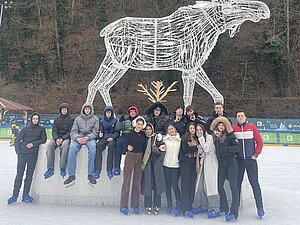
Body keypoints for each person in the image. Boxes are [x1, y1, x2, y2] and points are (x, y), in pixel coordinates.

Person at [7, 113, 47, 204]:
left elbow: (43, 140)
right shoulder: (25, 129)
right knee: (19, 175)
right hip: (23, 154)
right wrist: (18, 152)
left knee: (29, 176)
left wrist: (33, 144)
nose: (35, 120)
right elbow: (17, 140)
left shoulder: (41, 129)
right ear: (31, 119)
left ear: (38, 120)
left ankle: (25, 195)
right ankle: (14, 195)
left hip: (33, 155)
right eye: (34, 118)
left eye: (37, 119)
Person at [233, 110, 265, 218]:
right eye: (238, 116)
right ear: (236, 118)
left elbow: (260, 142)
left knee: (254, 184)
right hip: (239, 161)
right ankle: (235, 207)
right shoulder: (233, 129)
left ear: (245, 117)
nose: (240, 117)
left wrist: (256, 154)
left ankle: (260, 207)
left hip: (251, 161)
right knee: (237, 184)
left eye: (242, 115)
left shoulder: (252, 127)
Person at [210, 116, 240, 221]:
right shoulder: (215, 137)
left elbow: (237, 147)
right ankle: (224, 207)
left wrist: (226, 149)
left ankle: (234, 211)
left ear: (226, 126)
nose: (221, 127)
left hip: (231, 163)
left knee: (233, 187)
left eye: (222, 125)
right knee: (219, 186)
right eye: (219, 125)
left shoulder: (231, 136)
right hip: (222, 164)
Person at [64, 103, 99, 187]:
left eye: (89, 109)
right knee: (72, 148)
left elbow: (95, 132)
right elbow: (73, 132)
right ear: (83, 109)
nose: (87, 110)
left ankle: (90, 174)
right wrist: (77, 138)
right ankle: (71, 175)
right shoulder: (78, 119)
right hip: (79, 137)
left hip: (90, 137)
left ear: (91, 110)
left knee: (93, 149)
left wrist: (88, 137)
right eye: (86, 109)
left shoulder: (95, 119)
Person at [120, 116, 147, 215]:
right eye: (138, 124)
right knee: (126, 182)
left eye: (141, 124)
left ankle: (135, 205)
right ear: (135, 124)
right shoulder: (130, 134)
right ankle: (123, 206)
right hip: (130, 157)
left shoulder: (143, 135)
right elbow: (125, 145)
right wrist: (123, 157)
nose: (139, 126)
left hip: (140, 158)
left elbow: (145, 146)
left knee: (137, 182)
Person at [195, 124, 220, 218]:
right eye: (197, 130)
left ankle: (215, 207)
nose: (199, 131)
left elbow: (207, 148)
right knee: (201, 185)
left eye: (200, 129)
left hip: (211, 163)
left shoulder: (209, 137)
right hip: (204, 163)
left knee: (211, 185)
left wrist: (201, 138)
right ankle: (203, 205)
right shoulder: (199, 138)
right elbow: (201, 151)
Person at [44, 103, 74, 179]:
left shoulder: (71, 120)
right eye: (62, 109)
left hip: (65, 138)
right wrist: (56, 138)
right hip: (56, 138)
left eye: (65, 109)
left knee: (64, 146)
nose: (64, 110)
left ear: (67, 110)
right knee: (50, 146)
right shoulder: (57, 119)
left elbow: (70, 132)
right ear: (60, 110)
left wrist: (62, 139)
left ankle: (62, 167)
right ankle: (50, 168)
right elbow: (54, 130)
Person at [141, 123, 165, 215]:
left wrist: (158, 162)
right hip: (147, 164)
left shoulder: (157, 138)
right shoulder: (143, 139)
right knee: (148, 185)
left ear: (152, 130)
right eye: (146, 129)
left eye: (150, 129)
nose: (148, 131)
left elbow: (163, 150)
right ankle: (147, 204)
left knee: (157, 185)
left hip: (156, 164)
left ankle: (157, 204)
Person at [179, 122, 199, 218]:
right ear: (188, 129)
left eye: (193, 128)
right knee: (185, 185)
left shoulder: (196, 138)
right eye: (190, 128)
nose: (192, 130)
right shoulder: (184, 138)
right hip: (185, 163)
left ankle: (190, 205)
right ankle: (184, 208)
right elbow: (186, 150)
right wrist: (196, 148)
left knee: (192, 185)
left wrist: (195, 149)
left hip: (193, 164)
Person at [93, 106, 119, 180]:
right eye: (107, 112)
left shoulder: (115, 121)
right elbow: (100, 130)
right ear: (105, 113)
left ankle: (109, 169)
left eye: (109, 112)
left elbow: (117, 132)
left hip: (111, 138)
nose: (108, 114)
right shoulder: (101, 121)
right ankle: (97, 169)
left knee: (111, 147)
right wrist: (99, 134)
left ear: (111, 113)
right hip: (103, 138)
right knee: (98, 146)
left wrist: (113, 137)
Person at [163, 123, 182, 216]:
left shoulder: (180, 140)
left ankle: (179, 202)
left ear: (175, 130)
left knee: (174, 184)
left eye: (172, 129)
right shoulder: (164, 139)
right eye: (169, 129)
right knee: (167, 184)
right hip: (166, 164)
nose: (171, 131)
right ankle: (169, 202)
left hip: (176, 165)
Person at [114, 106, 139, 175]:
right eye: (131, 111)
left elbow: (141, 127)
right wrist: (120, 121)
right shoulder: (126, 119)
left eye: (134, 111)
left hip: (134, 135)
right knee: (119, 142)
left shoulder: (139, 119)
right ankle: (117, 166)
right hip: (125, 135)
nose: (133, 113)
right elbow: (118, 128)